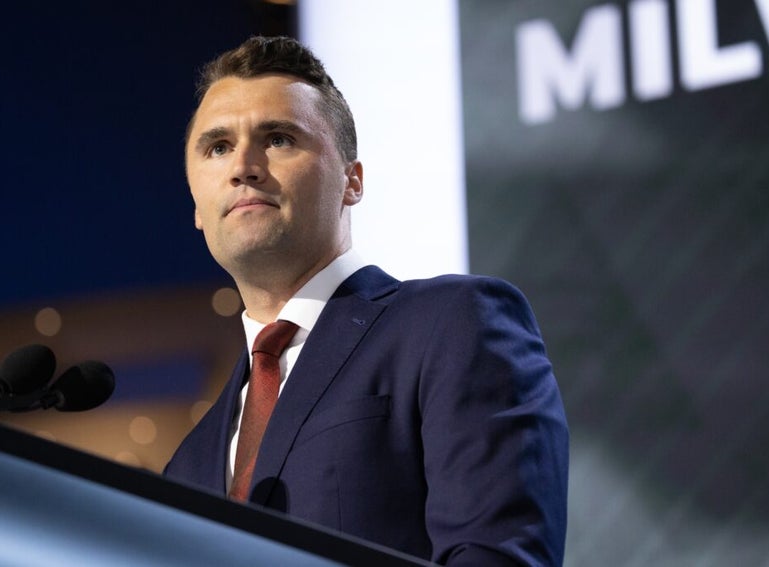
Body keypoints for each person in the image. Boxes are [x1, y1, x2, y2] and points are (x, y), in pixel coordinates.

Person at [165, 36, 569, 566]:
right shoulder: (187, 464)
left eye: (280, 138)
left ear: (352, 181)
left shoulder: (453, 324)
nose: (243, 166)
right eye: (217, 147)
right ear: (196, 204)